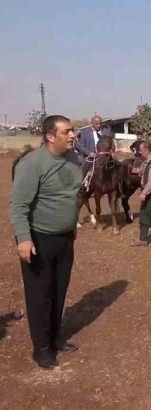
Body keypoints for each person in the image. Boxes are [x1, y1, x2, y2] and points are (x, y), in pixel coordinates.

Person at [10, 115, 82, 369]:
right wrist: (23, 238)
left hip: (65, 239)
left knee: (59, 289)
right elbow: (18, 205)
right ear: (51, 136)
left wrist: (71, 226)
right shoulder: (32, 164)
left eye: (72, 130)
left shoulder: (73, 159)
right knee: (40, 294)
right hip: (39, 239)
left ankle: (54, 338)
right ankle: (41, 347)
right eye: (67, 131)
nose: (73, 135)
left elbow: (71, 197)